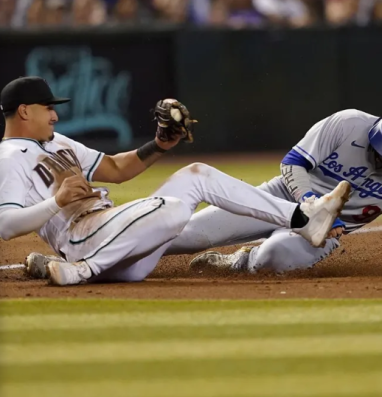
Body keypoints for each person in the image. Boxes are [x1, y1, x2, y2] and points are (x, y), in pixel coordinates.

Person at [0, 76, 351, 286]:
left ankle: (304, 219)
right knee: (171, 208)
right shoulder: (9, 156)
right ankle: (82, 271)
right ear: (24, 111)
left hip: (116, 237)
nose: (55, 114)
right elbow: (6, 225)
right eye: (47, 108)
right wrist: (55, 203)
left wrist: (159, 145)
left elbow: (117, 169)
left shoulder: (57, 142)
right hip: (81, 238)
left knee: (198, 174)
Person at [157, 102, 382, 275]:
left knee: (278, 255)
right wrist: (310, 202)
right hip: (280, 197)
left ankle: (238, 262)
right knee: (185, 234)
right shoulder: (348, 123)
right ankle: (112, 252)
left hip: (325, 232)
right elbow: (292, 163)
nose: (379, 153)